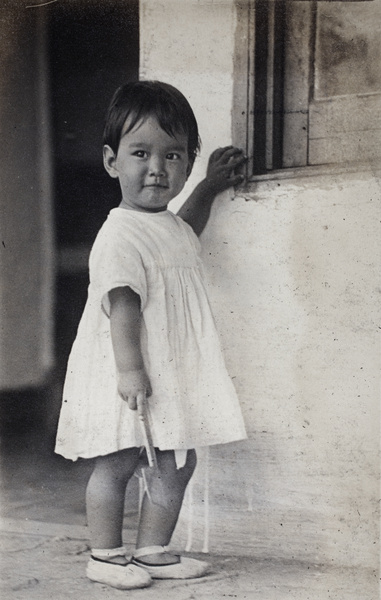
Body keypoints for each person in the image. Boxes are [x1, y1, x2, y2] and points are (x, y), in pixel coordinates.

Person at [55, 80, 247, 590]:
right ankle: (105, 555)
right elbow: (123, 303)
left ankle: (154, 550)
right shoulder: (119, 232)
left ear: (187, 163)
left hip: (167, 370)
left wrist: (208, 187)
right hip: (131, 369)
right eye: (141, 153)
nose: (157, 168)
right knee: (118, 460)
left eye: (173, 156)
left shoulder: (168, 225)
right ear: (111, 161)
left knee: (176, 460)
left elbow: (187, 225)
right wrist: (129, 369)